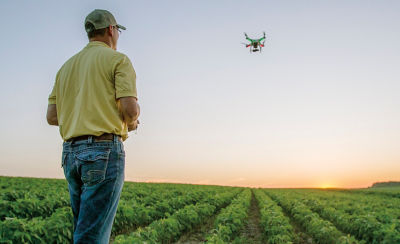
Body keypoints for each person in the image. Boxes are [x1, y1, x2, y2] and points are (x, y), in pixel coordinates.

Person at [46, 9, 140, 244]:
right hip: (103, 151)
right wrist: (133, 121)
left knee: (83, 229)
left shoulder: (65, 68)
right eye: (118, 30)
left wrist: (78, 114)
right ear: (111, 30)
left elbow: (52, 116)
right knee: (92, 237)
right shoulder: (118, 60)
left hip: (70, 154)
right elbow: (130, 109)